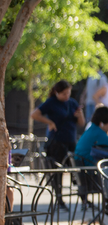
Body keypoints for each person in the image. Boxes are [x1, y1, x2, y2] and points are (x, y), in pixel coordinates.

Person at [32, 80, 85, 210]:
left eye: (68, 93)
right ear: (56, 92)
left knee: (77, 169)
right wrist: (49, 122)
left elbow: (81, 123)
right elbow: (34, 114)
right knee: (58, 171)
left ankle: (83, 198)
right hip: (56, 141)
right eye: (63, 93)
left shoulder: (72, 102)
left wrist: (80, 115)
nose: (66, 96)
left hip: (71, 140)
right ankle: (59, 199)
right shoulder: (51, 102)